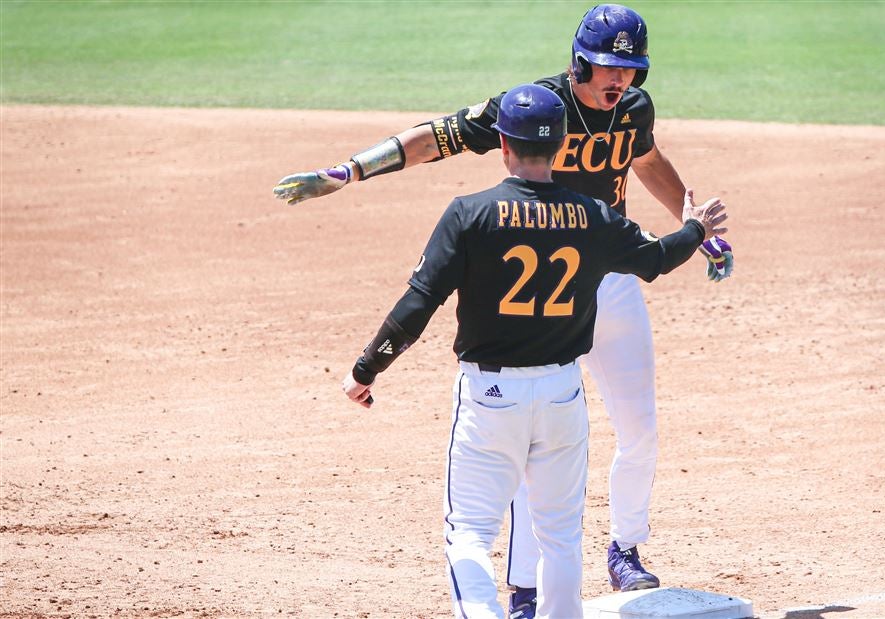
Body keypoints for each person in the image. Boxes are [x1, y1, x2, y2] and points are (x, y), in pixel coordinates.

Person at [274, 3, 734, 610]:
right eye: (607, 68)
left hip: (612, 276)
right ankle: (524, 590)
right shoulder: (533, 108)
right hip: (551, 290)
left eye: (631, 69)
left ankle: (625, 549)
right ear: (579, 64)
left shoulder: (633, 110)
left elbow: (644, 160)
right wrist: (350, 170)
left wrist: (693, 225)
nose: (619, 80)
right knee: (533, 434)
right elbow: (438, 137)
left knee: (639, 429)